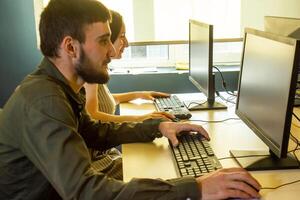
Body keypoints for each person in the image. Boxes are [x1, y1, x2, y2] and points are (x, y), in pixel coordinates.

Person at [0, 0, 261, 199]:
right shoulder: (45, 100)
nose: (113, 51)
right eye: (104, 41)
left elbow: (95, 130)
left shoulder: (60, 87)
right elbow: (86, 191)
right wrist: (196, 187)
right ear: (70, 47)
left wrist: (157, 126)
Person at [84, 10, 173, 123]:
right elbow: (92, 115)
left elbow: (105, 102)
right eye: (122, 36)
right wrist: (140, 118)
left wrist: (139, 95)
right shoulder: (91, 70)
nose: (126, 43)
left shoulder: (100, 68)